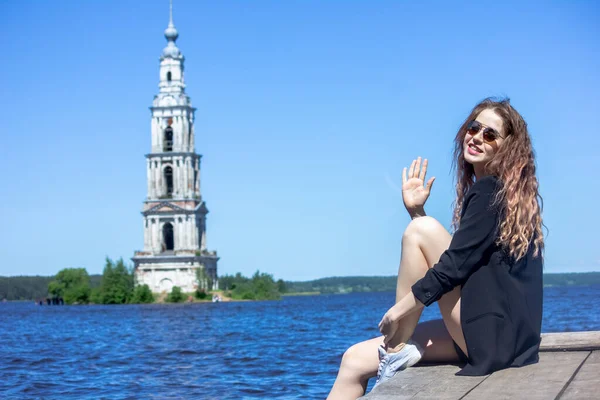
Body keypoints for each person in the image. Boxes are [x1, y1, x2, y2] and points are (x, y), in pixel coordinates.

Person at [327, 98, 544, 399]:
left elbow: (452, 267)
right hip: (508, 342)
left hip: (490, 339)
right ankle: (394, 353)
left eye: (490, 134)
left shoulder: (489, 191)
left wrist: (397, 312)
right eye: (474, 127)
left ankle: (394, 350)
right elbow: (460, 261)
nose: (477, 137)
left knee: (421, 230)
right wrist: (417, 212)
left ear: (507, 147)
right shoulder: (506, 196)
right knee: (353, 360)